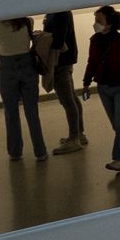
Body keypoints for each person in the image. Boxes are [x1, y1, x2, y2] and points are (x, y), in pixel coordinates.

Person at [80, 6, 120, 173]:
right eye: (95, 20)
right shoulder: (94, 40)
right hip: (103, 88)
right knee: (118, 124)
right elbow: (91, 62)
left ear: (110, 23)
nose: (95, 24)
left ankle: (118, 159)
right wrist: (86, 83)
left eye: (99, 20)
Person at [0, 18, 47, 162]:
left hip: (7, 67)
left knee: (11, 112)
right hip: (27, 64)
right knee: (32, 112)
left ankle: (15, 152)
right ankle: (40, 151)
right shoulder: (27, 21)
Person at [42, 10, 84, 154]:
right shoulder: (59, 11)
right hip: (65, 59)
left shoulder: (60, 13)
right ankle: (79, 134)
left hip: (60, 61)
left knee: (67, 100)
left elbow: (58, 41)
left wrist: (40, 39)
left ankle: (74, 139)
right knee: (71, 96)